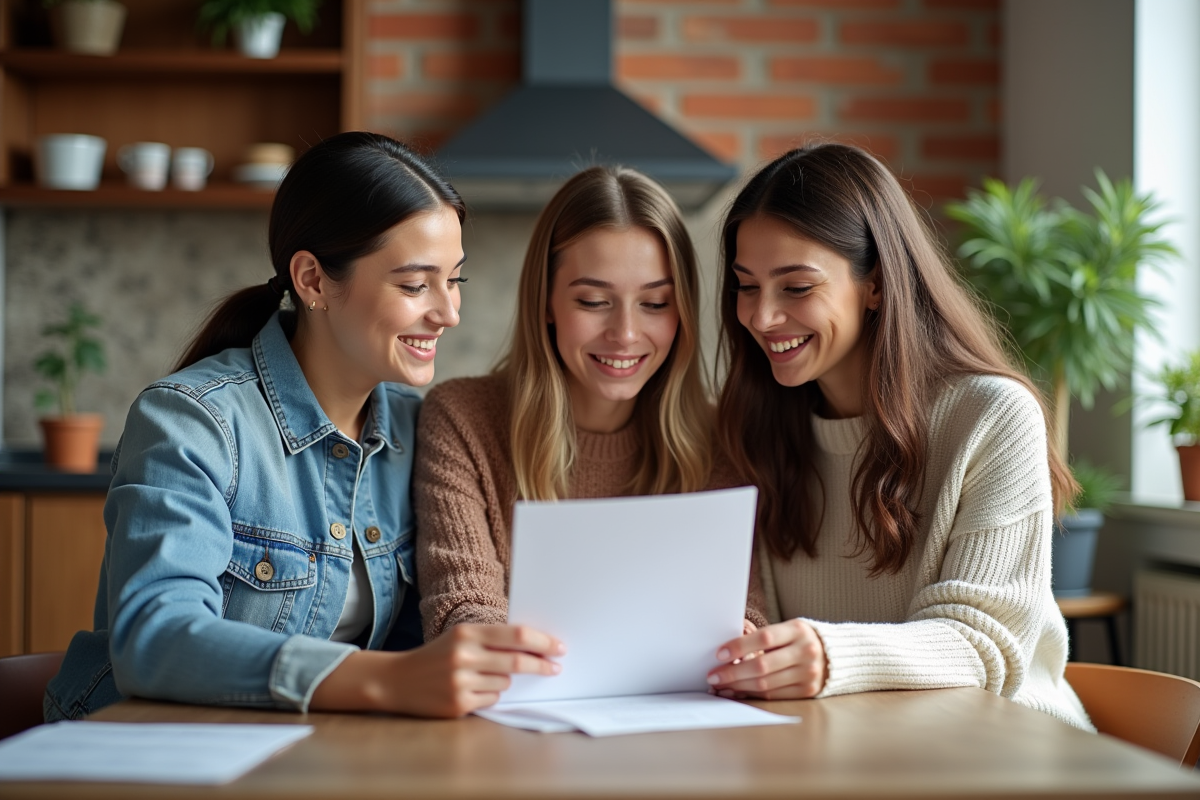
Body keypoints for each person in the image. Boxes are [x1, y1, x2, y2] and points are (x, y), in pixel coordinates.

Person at [45, 132, 562, 722]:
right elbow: (155, 639)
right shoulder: (192, 420)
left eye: (455, 280)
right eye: (415, 285)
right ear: (313, 280)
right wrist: (386, 680)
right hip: (150, 746)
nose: (448, 312)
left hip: (312, 749)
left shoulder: (417, 430)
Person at [704, 143, 1093, 730]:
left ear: (878, 284)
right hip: (851, 746)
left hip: (1008, 746)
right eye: (746, 286)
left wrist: (830, 655)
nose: (761, 317)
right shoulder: (753, 428)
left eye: (797, 287)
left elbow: (983, 644)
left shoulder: (992, 416)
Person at [416, 165, 767, 638]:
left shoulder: (718, 437)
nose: (625, 334)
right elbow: (463, 606)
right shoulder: (463, 418)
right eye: (594, 301)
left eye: (655, 303)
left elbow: (744, 607)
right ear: (546, 301)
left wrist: (745, 637)